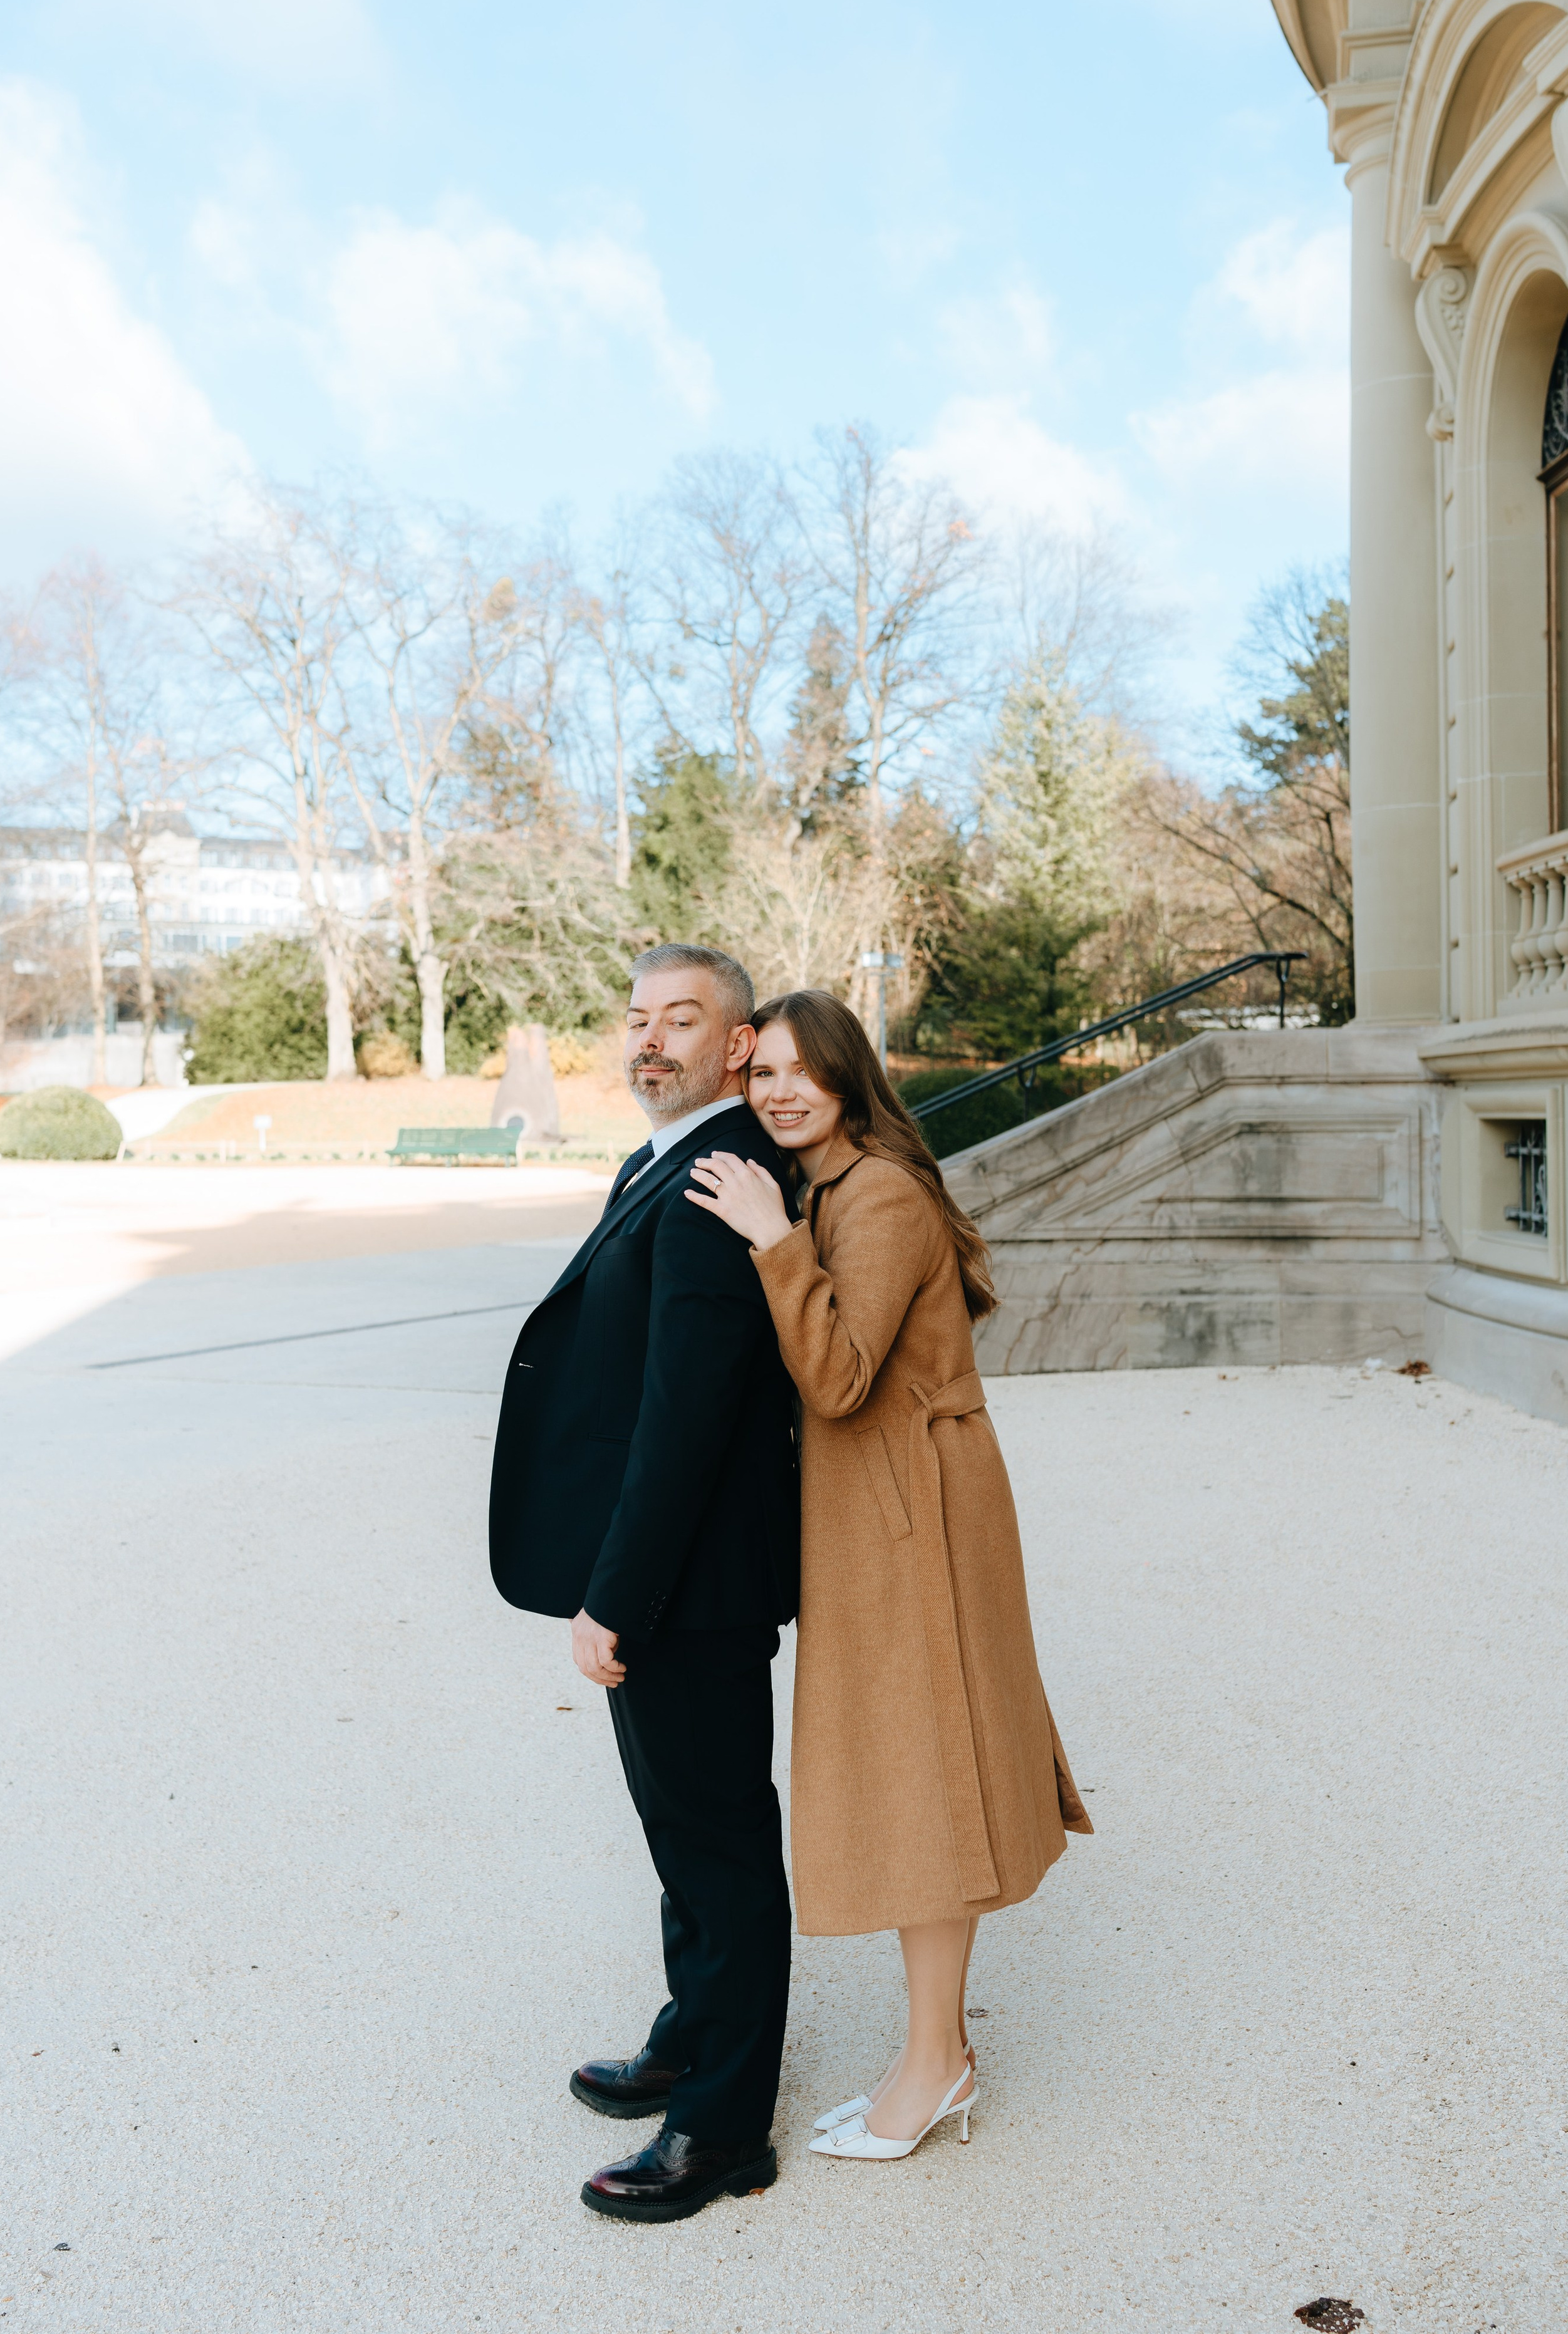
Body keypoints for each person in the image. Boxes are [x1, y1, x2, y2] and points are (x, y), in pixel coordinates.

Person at [687, 986, 1093, 2162]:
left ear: (849, 1077)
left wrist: (772, 1240)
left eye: (804, 1072)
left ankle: (936, 2064)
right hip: (887, 1510)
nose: (778, 1091)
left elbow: (844, 1376)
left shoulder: (877, 1196)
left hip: (916, 1512)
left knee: (928, 1773)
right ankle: (935, 2051)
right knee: (919, 1770)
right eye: (761, 1071)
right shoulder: (840, 1187)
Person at [489, 944, 799, 2224]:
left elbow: (688, 1417)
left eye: (683, 1019)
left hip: (693, 1584)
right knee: (679, 1827)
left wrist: (615, 1595)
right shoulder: (662, 1155)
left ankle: (721, 2128)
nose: (650, 1040)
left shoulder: (722, 1176)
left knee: (719, 1845)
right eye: (636, 1019)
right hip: (669, 1571)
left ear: (737, 1045)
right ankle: (690, 2030)